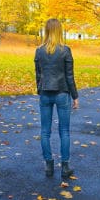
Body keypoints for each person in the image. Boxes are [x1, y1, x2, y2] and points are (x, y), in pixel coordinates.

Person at [34, 18, 79, 178]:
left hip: (45, 93)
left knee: (45, 132)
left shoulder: (39, 51)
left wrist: (40, 90)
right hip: (62, 94)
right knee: (64, 131)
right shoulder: (65, 50)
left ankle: (49, 166)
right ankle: (65, 167)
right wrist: (75, 96)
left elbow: (38, 75)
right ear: (59, 31)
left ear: (46, 31)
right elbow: (69, 76)